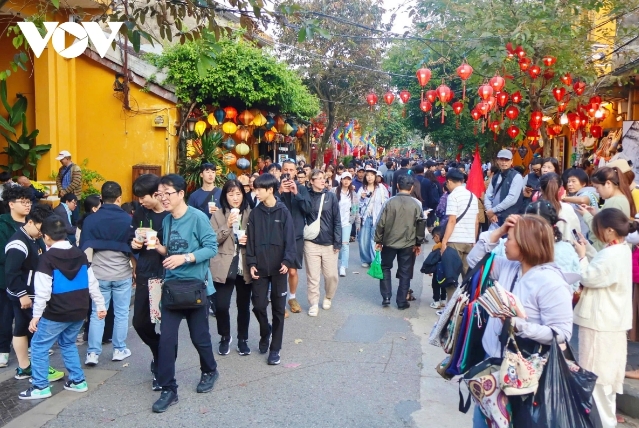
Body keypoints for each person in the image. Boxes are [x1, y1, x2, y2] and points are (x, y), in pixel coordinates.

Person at [467, 214, 574, 428]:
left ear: (526, 244)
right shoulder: (509, 267)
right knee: (482, 420)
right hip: (494, 365)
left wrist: (519, 326)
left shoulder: (550, 282)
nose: (505, 242)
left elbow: (562, 332)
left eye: (510, 238)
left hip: (525, 377)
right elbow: (474, 261)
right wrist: (498, 231)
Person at [18, 215, 106, 400]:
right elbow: (92, 282)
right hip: (79, 310)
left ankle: (40, 386)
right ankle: (77, 381)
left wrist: (36, 316)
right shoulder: (80, 254)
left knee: (38, 346)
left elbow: (42, 292)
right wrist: (100, 304)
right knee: (67, 343)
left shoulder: (47, 259)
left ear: (46, 236)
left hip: (56, 312)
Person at [151, 174, 219, 413]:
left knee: (200, 338)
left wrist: (186, 258)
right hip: (171, 289)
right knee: (167, 341)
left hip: (195, 288)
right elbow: (171, 250)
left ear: (181, 194)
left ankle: (209, 370)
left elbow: (211, 247)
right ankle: (169, 389)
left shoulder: (198, 217)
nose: (164, 198)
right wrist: (156, 246)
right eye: (160, 194)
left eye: (167, 193)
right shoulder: (168, 221)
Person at [573, 208, 633, 428]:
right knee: (605, 379)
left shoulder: (612, 254)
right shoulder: (620, 249)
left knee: (595, 379)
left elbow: (590, 277)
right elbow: (600, 265)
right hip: (612, 322)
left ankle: (602, 423)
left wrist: (581, 256)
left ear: (609, 230)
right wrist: (587, 249)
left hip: (600, 322)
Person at [6, 205, 65, 382]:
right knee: (33, 329)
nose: (42, 233)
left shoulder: (32, 238)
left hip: (29, 293)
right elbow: (11, 272)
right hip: (23, 295)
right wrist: (22, 294)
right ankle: (37, 368)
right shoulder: (18, 243)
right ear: (31, 222)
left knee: (22, 328)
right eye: (41, 229)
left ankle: (25, 368)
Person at [81, 182, 134, 366]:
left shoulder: (91, 220)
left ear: (101, 198)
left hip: (98, 273)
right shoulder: (128, 220)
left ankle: (92, 354)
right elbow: (133, 249)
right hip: (121, 272)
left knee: (97, 313)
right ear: (119, 198)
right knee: (121, 313)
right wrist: (135, 268)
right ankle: (119, 350)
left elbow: (84, 248)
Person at [246, 173, 296, 365]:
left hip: (279, 269)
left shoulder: (283, 212)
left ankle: (275, 349)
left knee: (277, 309)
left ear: (270, 190)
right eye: (255, 188)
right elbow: (250, 241)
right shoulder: (255, 213)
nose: (255, 192)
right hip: (259, 268)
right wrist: (251, 263)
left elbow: (290, 240)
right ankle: (265, 331)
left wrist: (287, 261)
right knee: (258, 305)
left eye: (259, 189)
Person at [130, 174, 169, 391]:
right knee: (140, 322)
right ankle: (158, 353)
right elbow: (131, 236)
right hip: (146, 271)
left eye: (143, 197)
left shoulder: (171, 214)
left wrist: (159, 242)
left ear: (156, 194)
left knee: (166, 324)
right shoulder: (141, 213)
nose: (140, 202)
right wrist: (134, 244)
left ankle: (163, 369)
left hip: (167, 273)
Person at [210, 179, 253, 356]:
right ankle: (225, 336)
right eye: (230, 194)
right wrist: (226, 226)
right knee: (221, 306)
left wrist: (249, 240)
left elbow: (259, 238)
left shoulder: (251, 214)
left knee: (243, 305)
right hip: (223, 265)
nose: (235, 198)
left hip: (243, 265)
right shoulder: (217, 215)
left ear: (243, 195)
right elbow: (211, 240)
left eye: (238, 194)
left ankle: (243, 338)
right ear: (225, 196)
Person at [374, 174, 424, 309]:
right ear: (412, 187)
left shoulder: (389, 202)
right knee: (405, 271)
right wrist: (418, 243)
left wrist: (378, 240)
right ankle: (401, 301)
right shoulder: (417, 204)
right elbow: (421, 225)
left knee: (385, 267)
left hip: (389, 241)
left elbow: (380, 223)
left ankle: (386, 297)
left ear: (397, 186)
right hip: (408, 243)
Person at [0, 186, 32, 368]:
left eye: (29, 202)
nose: (27, 206)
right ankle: (3, 349)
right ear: (11, 204)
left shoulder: (32, 223)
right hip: (5, 279)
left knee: (25, 317)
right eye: (23, 202)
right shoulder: (2, 224)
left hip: (28, 279)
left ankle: (27, 349)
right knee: (5, 316)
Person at [304, 170, 342, 317]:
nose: (322, 181)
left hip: (329, 242)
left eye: (323, 178)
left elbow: (337, 220)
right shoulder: (306, 196)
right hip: (311, 242)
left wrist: (337, 242)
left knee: (331, 275)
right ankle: (313, 303)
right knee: (313, 276)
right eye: (318, 178)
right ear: (311, 181)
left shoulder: (331, 196)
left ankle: (328, 296)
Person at [279, 160, 312, 315]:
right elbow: (268, 206)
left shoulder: (301, 189)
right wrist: (279, 191)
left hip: (296, 235)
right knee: (280, 270)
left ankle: (292, 297)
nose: (288, 172)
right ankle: (280, 302)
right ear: (281, 171)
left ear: (295, 172)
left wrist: (296, 194)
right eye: (285, 169)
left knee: (292, 271)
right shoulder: (276, 188)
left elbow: (308, 209)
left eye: (291, 170)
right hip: (278, 236)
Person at [577, 166, 636, 250]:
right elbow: (610, 224)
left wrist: (586, 215)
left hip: (603, 249)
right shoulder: (620, 198)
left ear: (608, 183)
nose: (597, 191)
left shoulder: (614, 202)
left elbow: (603, 231)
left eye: (597, 187)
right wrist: (596, 214)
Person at [440, 169, 478, 276]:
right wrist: (473, 240)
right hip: (469, 241)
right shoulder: (473, 196)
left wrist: (444, 241)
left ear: (450, 181)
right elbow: (476, 222)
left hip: (455, 240)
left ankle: (453, 294)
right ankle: (466, 293)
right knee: (467, 277)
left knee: (452, 276)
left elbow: (452, 221)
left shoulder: (453, 196)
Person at [421, 226, 462, 308]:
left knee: (435, 285)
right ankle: (443, 300)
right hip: (445, 271)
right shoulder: (449, 246)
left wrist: (428, 269)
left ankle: (436, 301)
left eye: (433, 238)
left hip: (437, 271)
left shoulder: (436, 247)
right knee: (444, 285)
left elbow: (432, 260)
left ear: (437, 236)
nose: (433, 240)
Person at [357, 167, 389, 267]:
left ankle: (375, 260)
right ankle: (365, 259)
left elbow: (386, 202)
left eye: (372, 175)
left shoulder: (381, 188)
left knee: (375, 239)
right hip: (366, 217)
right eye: (368, 175)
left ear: (375, 176)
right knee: (364, 239)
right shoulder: (362, 189)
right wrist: (362, 198)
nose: (370, 177)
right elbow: (357, 205)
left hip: (378, 217)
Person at [484, 149, 524, 227]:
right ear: (497, 161)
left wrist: (493, 210)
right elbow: (488, 195)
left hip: (510, 218)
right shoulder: (495, 176)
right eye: (501, 159)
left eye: (507, 160)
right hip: (495, 217)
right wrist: (490, 212)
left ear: (511, 161)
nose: (504, 162)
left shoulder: (516, 176)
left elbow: (511, 199)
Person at [539, 173, 581, 243]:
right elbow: (576, 233)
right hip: (566, 250)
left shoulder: (535, 208)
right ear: (559, 189)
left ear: (541, 189)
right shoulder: (567, 208)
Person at [333, 172, 359, 277]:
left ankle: (343, 266)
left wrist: (357, 223)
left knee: (345, 244)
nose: (346, 181)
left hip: (347, 222)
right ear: (341, 180)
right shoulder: (334, 191)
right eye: (344, 179)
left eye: (348, 179)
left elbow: (356, 210)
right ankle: (334, 263)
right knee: (335, 243)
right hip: (334, 222)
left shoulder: (353, 194)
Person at [563, 167, 599, 237]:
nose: (570, 184)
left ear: (584, 184)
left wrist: (564, 198)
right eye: (569, 181)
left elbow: (583, 200)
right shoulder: (577, 194)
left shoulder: (588, 192)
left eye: (573, 181)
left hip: (588, 236)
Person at [55, 151, 82, 222]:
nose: (60, 161)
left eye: (62, 159)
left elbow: (76, 182)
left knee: (74, 216)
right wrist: (61, 190)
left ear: (67, 159)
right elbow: (58, 180)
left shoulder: (76, 168)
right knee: (63, 214)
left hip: (73, 195)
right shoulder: (61, 169)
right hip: (63, 195)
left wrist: (65, 191)